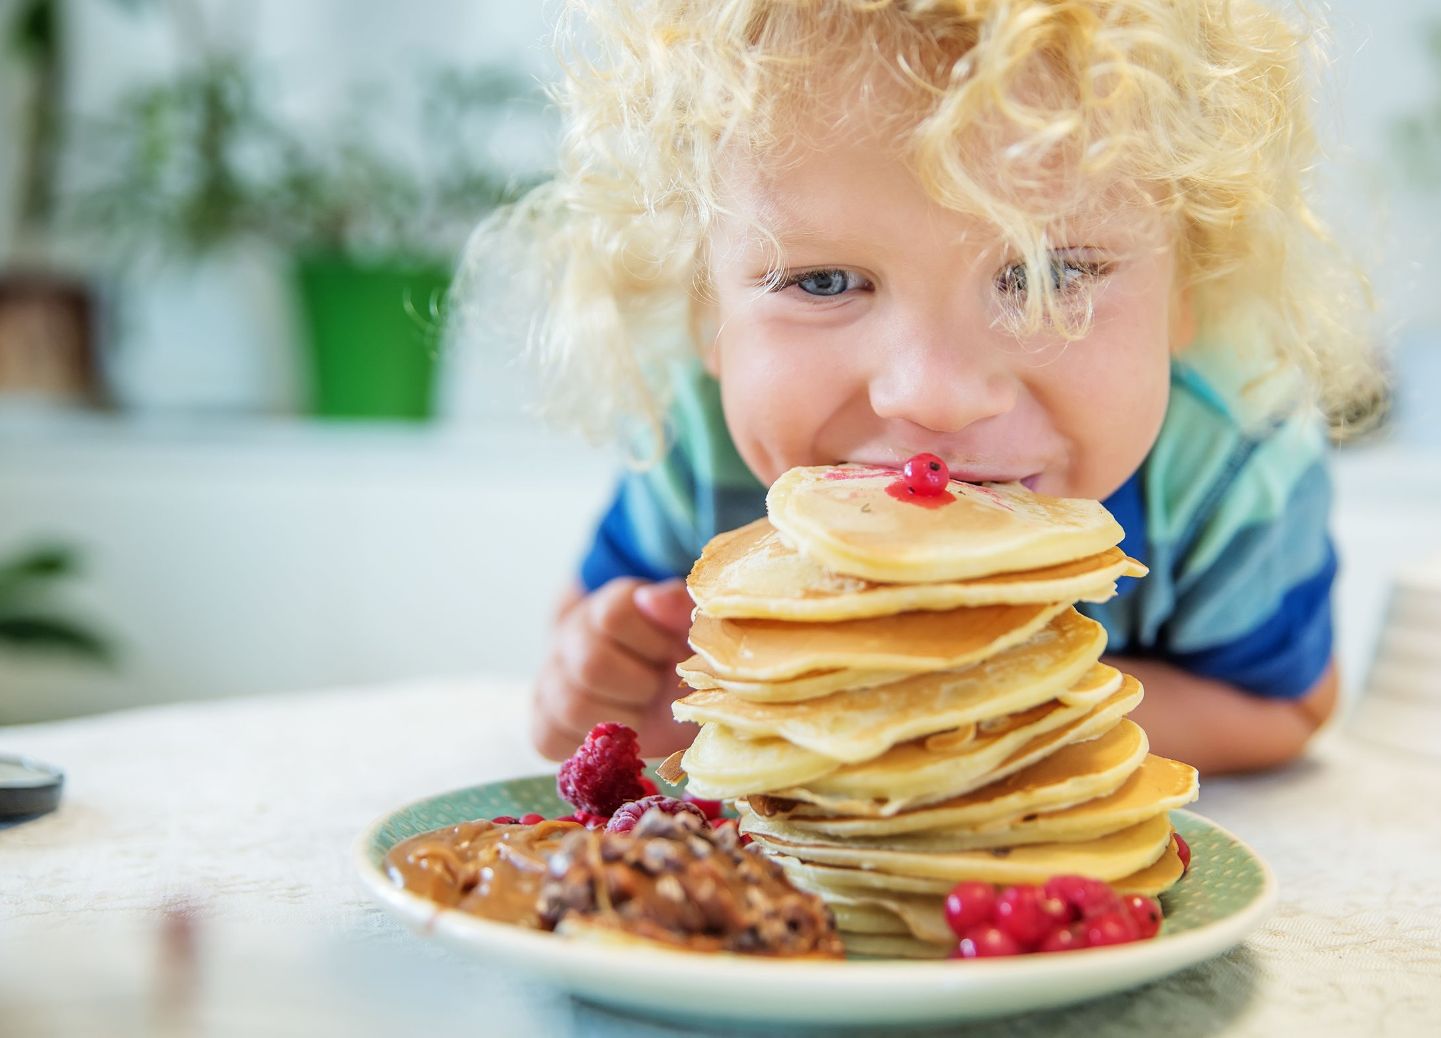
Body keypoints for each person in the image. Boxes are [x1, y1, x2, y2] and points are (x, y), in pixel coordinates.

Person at [467, 0, 1378, 775]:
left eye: (1042, 274)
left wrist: (982, 722)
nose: (934, 397)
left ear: (1189, 290)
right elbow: (592, 653)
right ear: (707, 317)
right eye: (823, 282)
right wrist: (608, 690)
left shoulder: (1231, 467)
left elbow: (1285, 707)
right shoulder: (699, 449)